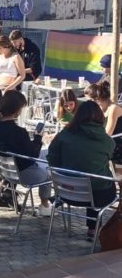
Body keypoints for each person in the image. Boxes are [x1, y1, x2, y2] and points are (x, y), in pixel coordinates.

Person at [47, 100, 116, 240]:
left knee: (91, 178)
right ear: (100, 117)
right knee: (98, 180)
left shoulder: (64, 134)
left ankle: (93, 228)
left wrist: (65, 170)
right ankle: (93, 228)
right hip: (96, 195)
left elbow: (52, 157)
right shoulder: (107, 141)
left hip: (66, 191)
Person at [0, 90, 52, 216]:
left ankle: (47, 203)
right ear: (17, 110)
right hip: (22, 173)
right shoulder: (19, 132)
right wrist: (37, 138)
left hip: (6, 172)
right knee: (50, 168)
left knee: (46, 154)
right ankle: (45, 205)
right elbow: (33, 154)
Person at [84, 81, 122, 164]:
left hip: (117, 146)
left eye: (89, 101)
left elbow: (107, 134)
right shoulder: (99, 110)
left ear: (97, 99)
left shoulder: (113, 109)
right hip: (107, 144)